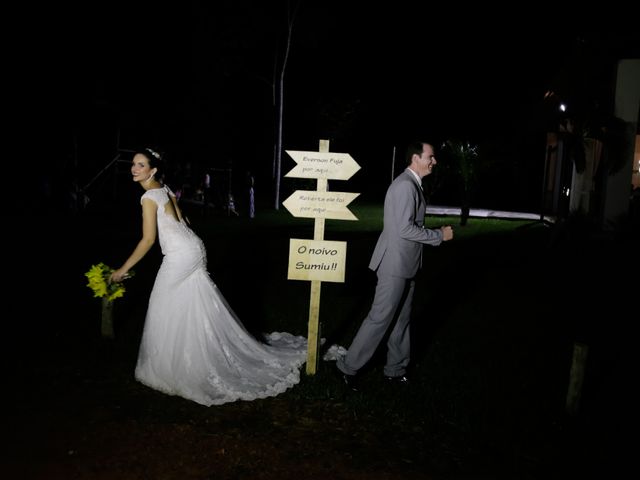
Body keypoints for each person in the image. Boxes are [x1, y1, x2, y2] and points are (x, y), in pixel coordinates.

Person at [110, 147, 307, 406]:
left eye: (140, 165)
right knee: (190, 305)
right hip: (194, 248)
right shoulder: (165, 189)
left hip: (181, 255)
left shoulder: (148, 197)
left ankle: (170, 368)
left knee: (161, 305)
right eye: (133, 164)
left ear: (153, 170)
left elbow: (148, 240)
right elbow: (184, 219)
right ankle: (194, 355)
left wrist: (122, 270)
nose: (134, 169)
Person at [336, 141, 453, 390]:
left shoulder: (412, 185)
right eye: (430, 157)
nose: (434, 161)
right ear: (415, 158)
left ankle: (395, 369)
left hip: (406, 264)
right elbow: (404, 228)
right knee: (380, 319)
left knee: (401, 320)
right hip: (394, 264)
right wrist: (438, 236)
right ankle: (347, 369)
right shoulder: (404, 186)